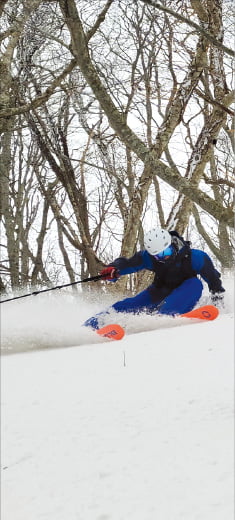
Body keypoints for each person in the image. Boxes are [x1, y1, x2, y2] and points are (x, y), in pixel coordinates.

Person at [84, 228, 225, 330]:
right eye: (158, 255)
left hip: (185, 292)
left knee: (196, 283)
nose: (164, 257)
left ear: (173, 244)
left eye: (166, 252)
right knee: (127, 305)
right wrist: (114, 269)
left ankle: (163, 317)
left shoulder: (196, 257)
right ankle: (91, 326)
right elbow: (128, 263)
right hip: (159, 291)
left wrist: (218, 303)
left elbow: (214, 280)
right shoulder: (149, 258)